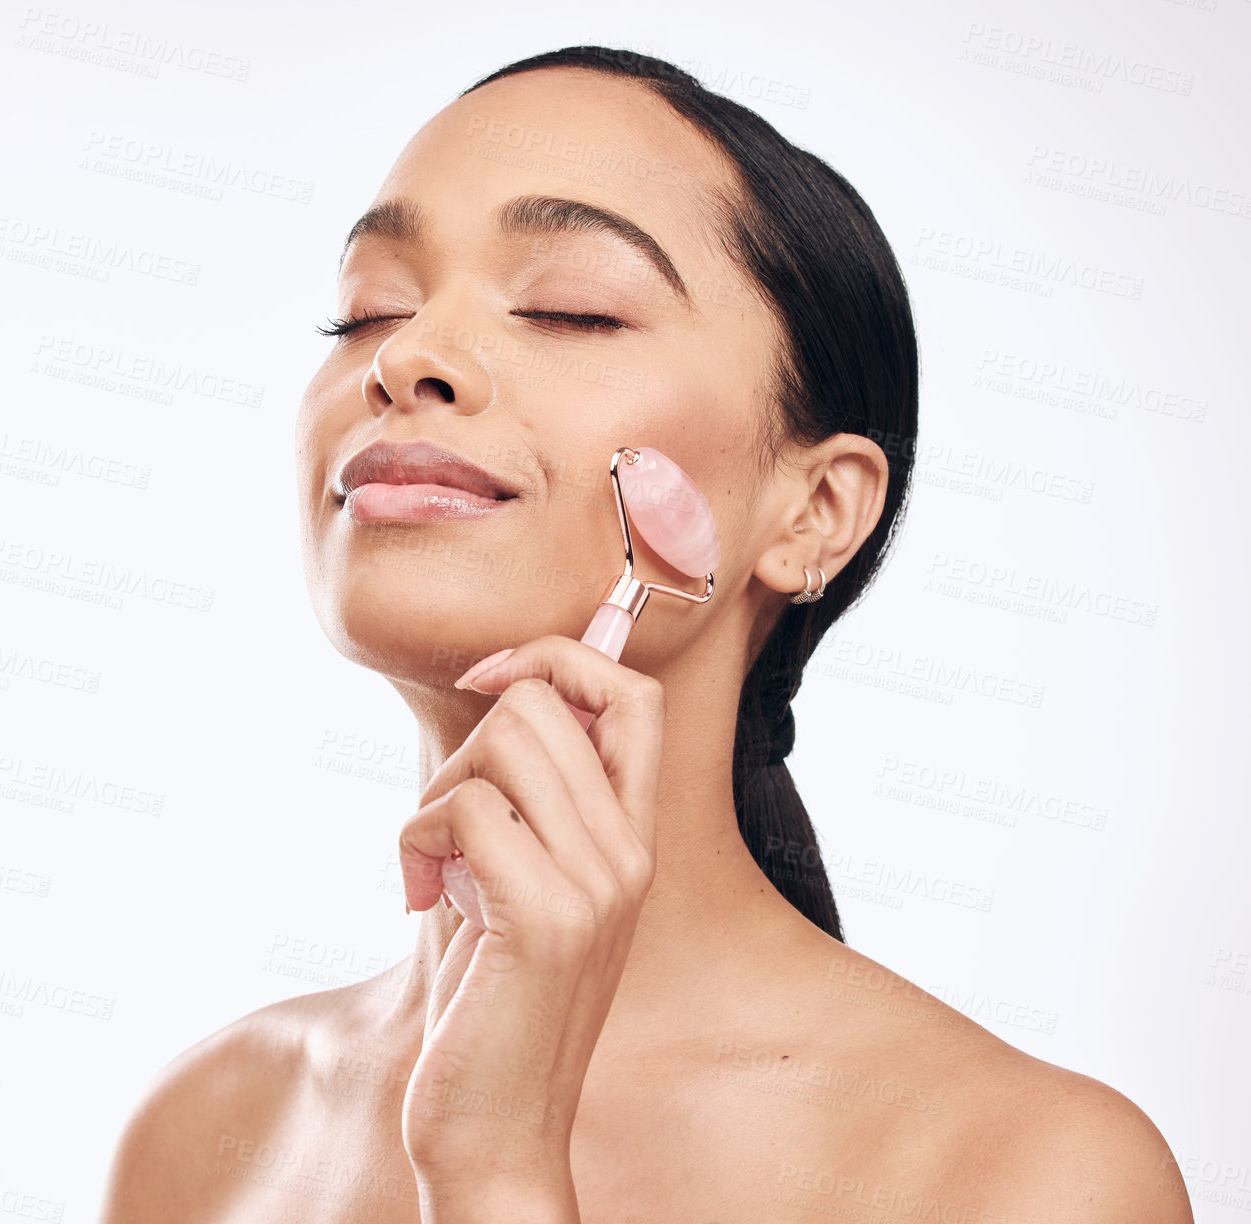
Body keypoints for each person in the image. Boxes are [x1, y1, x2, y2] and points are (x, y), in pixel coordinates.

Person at [100, 45, 1192, 1223]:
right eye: (368, 309)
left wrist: (496, 1167)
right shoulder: (210, 1131)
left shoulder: (1020, 1172)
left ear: (813, 510)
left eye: (569, 307)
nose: (406, 358)